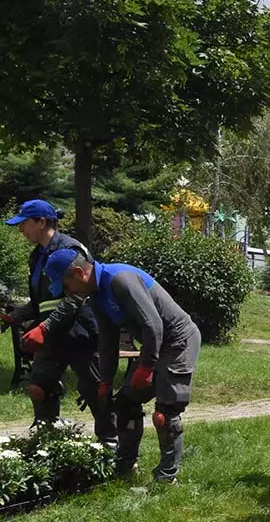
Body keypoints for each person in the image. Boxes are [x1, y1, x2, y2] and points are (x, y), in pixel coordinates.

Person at [45, 250, 201, 482]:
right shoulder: (96, 296)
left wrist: (146, 368)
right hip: (155, 345)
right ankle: (126, 466)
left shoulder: (120, 279)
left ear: (80, 273)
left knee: (165, 414)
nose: (68, 293)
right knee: (125, 403)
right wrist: (105, 383)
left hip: (178, 341)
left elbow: (153, 325)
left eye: (67, 286)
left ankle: (167, 479)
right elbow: (107, 342)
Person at [4, 199, 115, 444]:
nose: (20, 230)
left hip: (79, 332)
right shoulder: (37, 257)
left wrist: (45, 327)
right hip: (51, 334)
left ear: (41, 222)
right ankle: (48, 441)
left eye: (23, 224)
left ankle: (112, 443)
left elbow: (77, 296)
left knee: (94, 389)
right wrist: (16, 316)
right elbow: (41, 302)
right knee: (38, 388)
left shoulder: (71, 250)